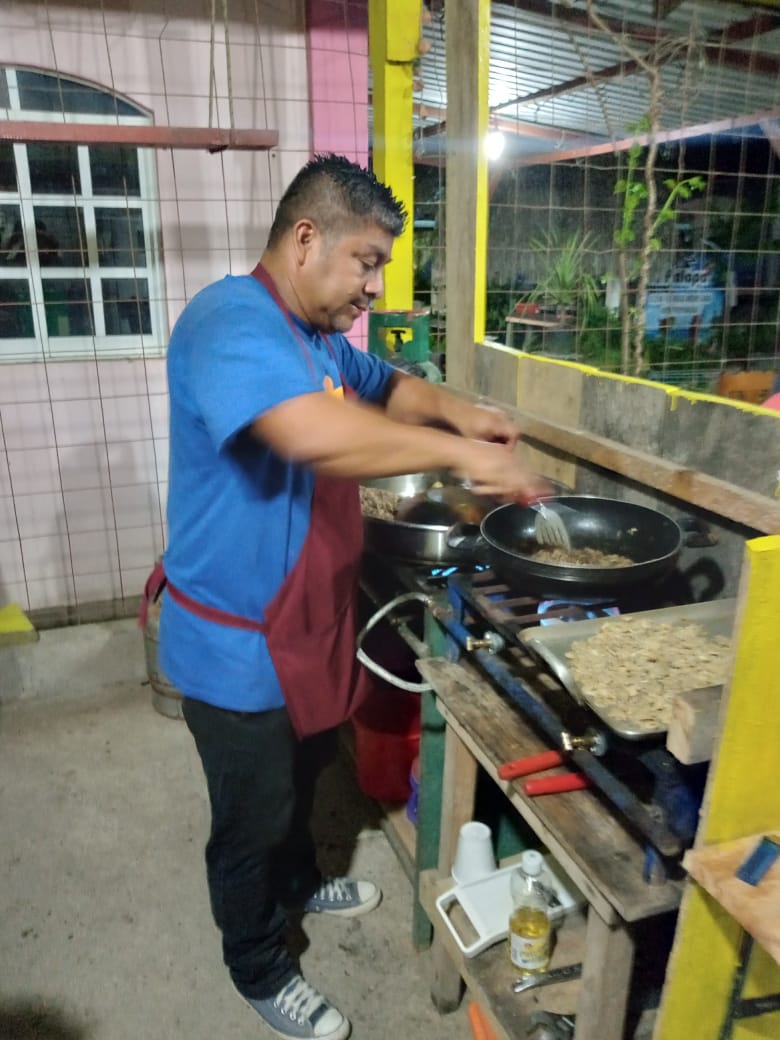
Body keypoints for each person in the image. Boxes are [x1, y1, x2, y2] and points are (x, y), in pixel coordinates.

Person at [158, 153, 545, 1040]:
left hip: (310, 625)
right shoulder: (229, 321)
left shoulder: (322, 341)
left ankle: (300, 880)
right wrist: (465, 458)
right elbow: (313, 433)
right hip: (238, 643)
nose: (374, 285)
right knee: (250, 818)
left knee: (299, 780)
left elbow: (387, 388)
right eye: (366, 262)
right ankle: (257, 963)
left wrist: (458, 413)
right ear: (306, 239)